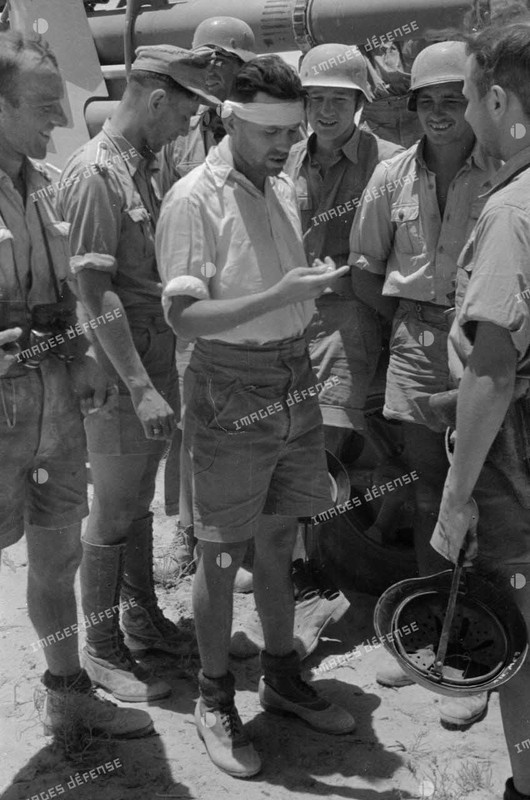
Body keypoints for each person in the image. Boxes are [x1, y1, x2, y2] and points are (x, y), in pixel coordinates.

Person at [156, 54, 356, 778]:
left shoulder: (278, 187)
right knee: (220, 549)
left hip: (292, 374)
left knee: (278, 543)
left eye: (291, 130)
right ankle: (216, 696)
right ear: (231, 117)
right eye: (271, 130)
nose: (285, 144)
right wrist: (277, 300)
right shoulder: (192, 200)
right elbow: (184, 317)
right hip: (231, 388)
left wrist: (301, 297)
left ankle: (280, 673)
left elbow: (267, 286)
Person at [0, 30, 152, 738]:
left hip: (54, 411)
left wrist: (82, 353)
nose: (59, 121)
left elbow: (63, 294)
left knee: (56, 554)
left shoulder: (42, 185)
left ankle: (67, 691)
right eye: (40, 105)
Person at [57, 45, 216, 703]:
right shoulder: (96, 174)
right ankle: (100, 647)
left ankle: (141, 621)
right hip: (121, 369)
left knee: (137, 500)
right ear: (157, 100)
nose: (185, 128)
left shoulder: (139, 164)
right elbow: (96, 293)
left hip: (147, 355)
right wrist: (143, 387)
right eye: (184, 112)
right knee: (113, 511)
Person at [349, 40, 500, 726]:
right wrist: (413, 327)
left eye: (451, 100)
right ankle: (429, 631)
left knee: (487, 494)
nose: (439, 114)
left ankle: (479, 655)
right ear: (412, 109)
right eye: (426, 103)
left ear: (473, 103)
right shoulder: (390, 177)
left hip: (485, 343)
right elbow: (363, 273)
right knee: (424, 495)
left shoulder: (502, 175)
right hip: (413, 343)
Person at [429, 23, 530, 800]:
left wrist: (457, 499)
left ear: (498, 97)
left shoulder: (510, 214)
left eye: (467, 95)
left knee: (520, 641)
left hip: (514, 478)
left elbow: (493, 371)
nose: (466, 112)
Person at [158, 16, 258, 581]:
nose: (215, 69)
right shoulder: (182, 131)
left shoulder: (260, 126)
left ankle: (239, 539)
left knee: (246, 425)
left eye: (225, 60)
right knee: (187, 423)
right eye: (206, 58)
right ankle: (185, 532)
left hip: (245, 298)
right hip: (192, 300)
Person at [285, 43, 403, 462]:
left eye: (338, 98)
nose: (325, 110)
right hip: (286, 309)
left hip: (351, 313)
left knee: (320, 443)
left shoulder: (389, 164)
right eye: (315, 99)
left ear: (358, 103)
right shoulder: (286, 160)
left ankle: (315, 517)